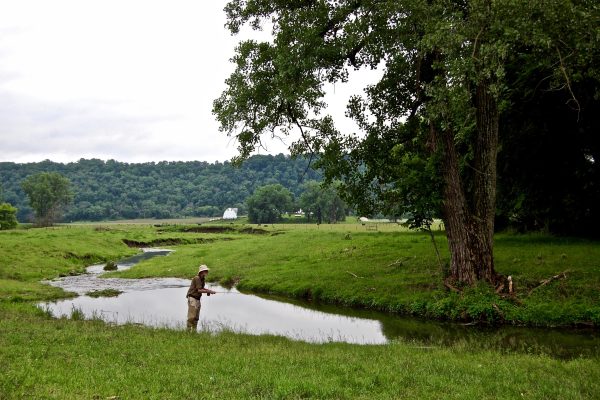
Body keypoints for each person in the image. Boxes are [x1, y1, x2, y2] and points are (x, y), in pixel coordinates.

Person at [186, 264, 216, 330]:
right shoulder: (197, 278)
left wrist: (208, 291)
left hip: (198, 299)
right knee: (191, 316)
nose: (207, 272)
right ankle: (187, 331)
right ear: (201, 272)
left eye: (207, 270)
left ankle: (194, 331)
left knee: (196, 317)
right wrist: (209, 291)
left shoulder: (203, 279)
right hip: (192, 298)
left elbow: (202, 288)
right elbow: (199, 290)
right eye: (205, 270)